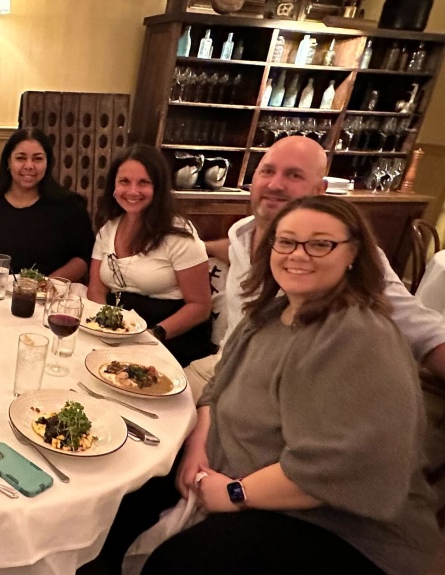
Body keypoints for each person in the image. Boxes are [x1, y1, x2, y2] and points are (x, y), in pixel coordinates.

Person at [96, 196, 439, 575]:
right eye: (286, 242)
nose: (297, 254)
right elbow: (217, 388)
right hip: (243, 477)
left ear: (354, 254)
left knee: (179, 570)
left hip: (347, 530)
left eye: (319, 244)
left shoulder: (356, 335)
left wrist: (236, 494)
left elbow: (341, 467)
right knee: (127, 489)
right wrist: (198, 445)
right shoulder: (271, 314)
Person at [188, 135, 445, 396]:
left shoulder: (339, 254)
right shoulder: (241, 233)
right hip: (223, 366)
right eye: (267, 171)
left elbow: (423, 330)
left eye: (294, 175)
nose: (275, 184)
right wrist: (197, 246)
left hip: (277, 391)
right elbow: (236, 253)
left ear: (319, 190)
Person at [86, 145, 213, 367]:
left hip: (169, 339)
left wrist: (153, 335)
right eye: (124, 181)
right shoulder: (109, 228)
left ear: (159, 187)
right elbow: (96, 289)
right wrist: (106, 329)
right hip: (119, 333)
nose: (133, 191)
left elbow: (200, 306)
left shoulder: (180, 234)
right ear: (113, 186)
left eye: (144, 182)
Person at [0, 128, 93, 280]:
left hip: (51, 297)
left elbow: (82, 258)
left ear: (48, 163)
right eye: (21, 158)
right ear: (8, 162)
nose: (29, 166)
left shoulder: (70, 206)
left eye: (37, 159)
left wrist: (44, 286)